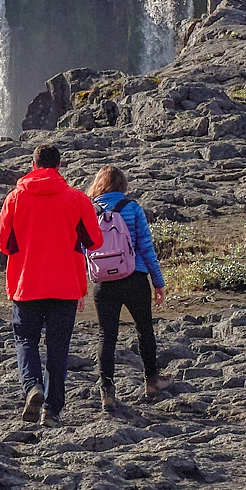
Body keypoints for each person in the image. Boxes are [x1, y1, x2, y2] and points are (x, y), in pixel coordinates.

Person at [0, 145, 102, 428]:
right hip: (65, 286)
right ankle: (51, 411)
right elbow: (95, 240)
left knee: (26, 341)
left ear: (32, 165)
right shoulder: (77, 199)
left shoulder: (15, 198)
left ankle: (32, 388)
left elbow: (3, 243)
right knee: (58, 349)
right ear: (59, 166)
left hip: (25, 284)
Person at [87, 165, 166, 410]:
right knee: (144, 329)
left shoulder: (88, 211)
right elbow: (146, 248)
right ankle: (151, 382)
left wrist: (80, 285)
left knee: (105, 336)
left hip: (103, 282)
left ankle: (107, 393)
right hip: (135, 276)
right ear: (122, 186)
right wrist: (158, 282)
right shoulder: (132, 208)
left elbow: (81, 250)